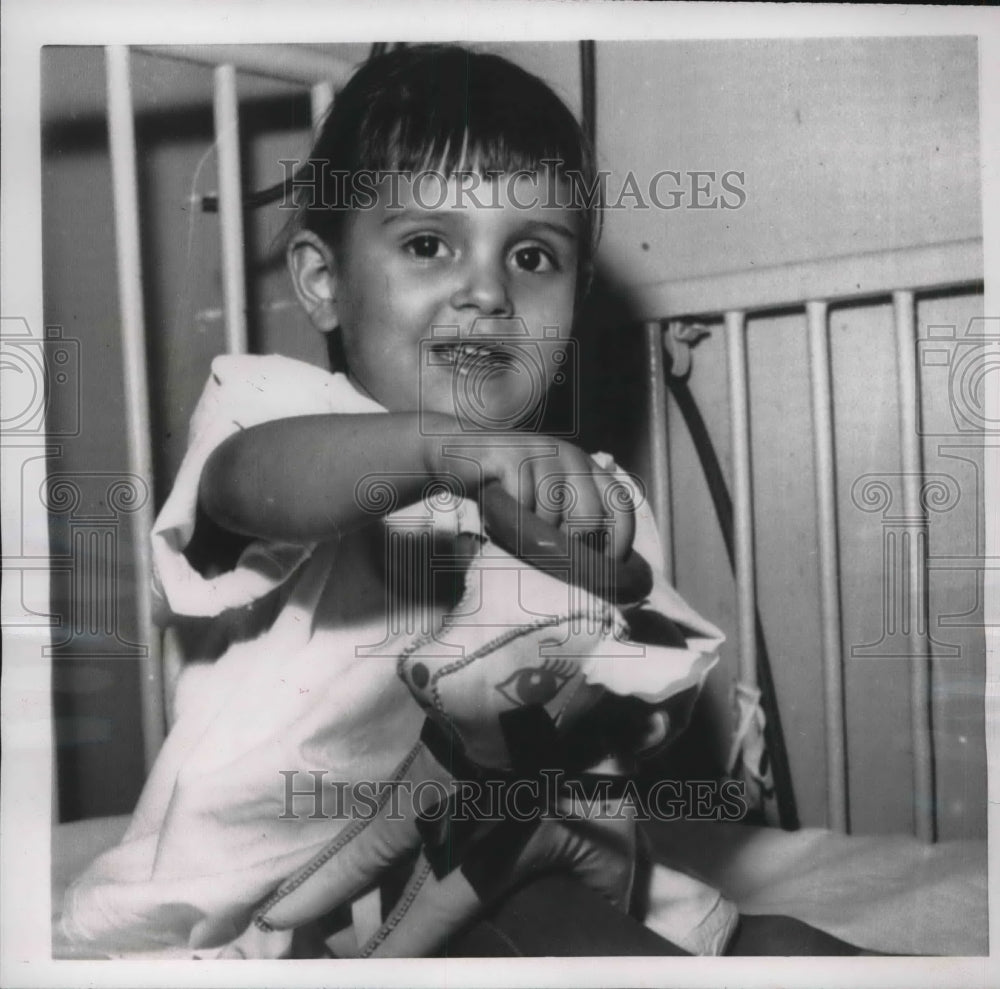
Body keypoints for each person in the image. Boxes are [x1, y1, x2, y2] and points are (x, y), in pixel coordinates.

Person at [61, 43, 858, 960]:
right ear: (323, 281)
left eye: (532, 254)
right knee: (554, 929)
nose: (486, 290)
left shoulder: (565, 487)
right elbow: (246, 486)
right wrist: (443, 450)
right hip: (289, 895)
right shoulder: (277, 411)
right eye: (428, 244)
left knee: (763, 939)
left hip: (517, 840)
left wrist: (623, 682)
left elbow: (638, 690)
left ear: (573, 302)